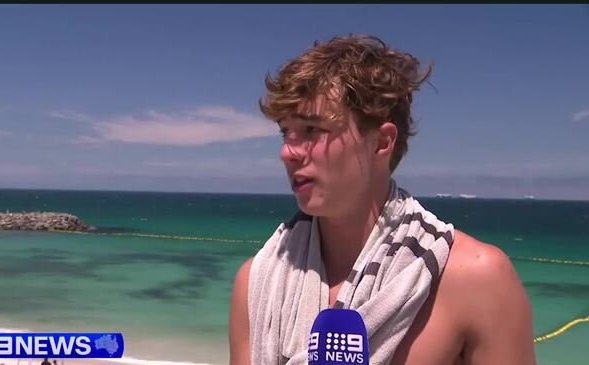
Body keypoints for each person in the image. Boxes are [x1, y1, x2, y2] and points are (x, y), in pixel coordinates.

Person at [229, 34, 536, 365]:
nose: (287, 152)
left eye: (312, 129)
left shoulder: (477, 279)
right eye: (285, 132)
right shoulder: (257, 283)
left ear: (381, 142)